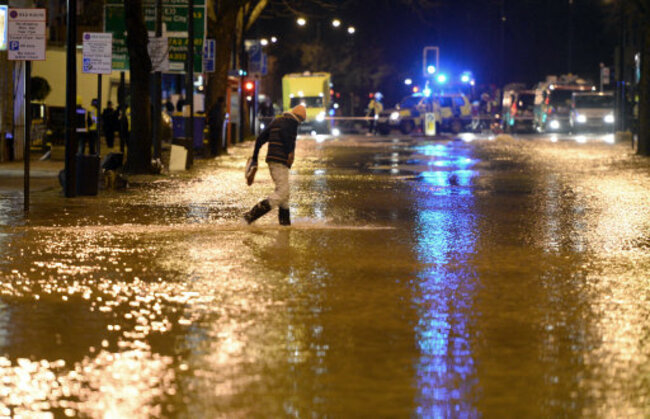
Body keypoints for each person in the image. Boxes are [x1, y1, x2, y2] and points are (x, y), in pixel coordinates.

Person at [243, 104, 306, 226]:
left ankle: (285, 226)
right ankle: (250, 216)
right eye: (301, 121)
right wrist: (289, 152)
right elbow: (285, 134)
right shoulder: (291, 122)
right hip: (280, 161)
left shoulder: (277, 121)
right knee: (282, 192)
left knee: (284, 195)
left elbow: (260, 139)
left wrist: (255, 158)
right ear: (298, 118)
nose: (300, 124)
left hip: (272, 160)